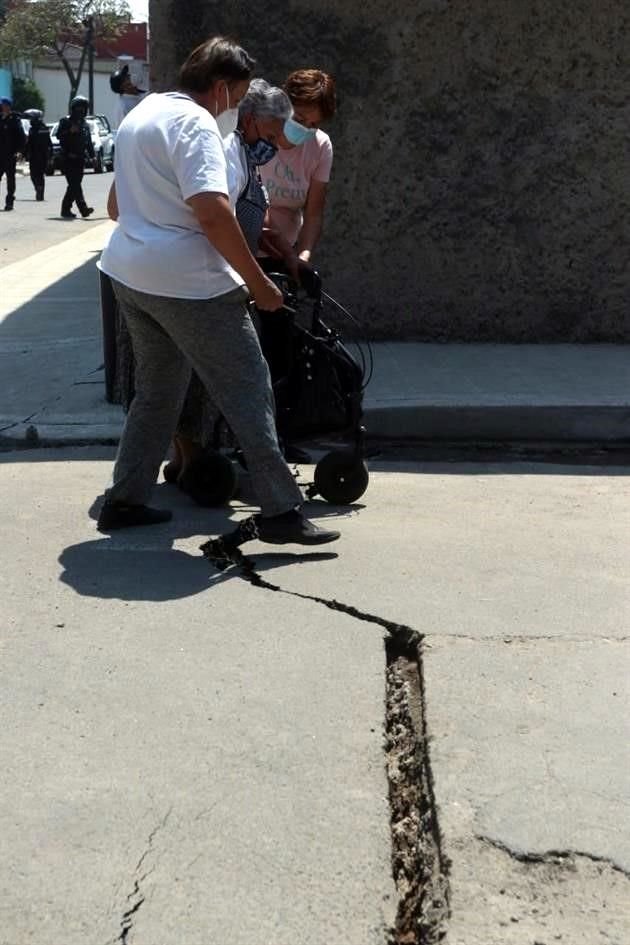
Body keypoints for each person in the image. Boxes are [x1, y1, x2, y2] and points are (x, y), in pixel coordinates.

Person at [96, 37, 340, 546]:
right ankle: (281, 512)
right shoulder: (199, 125)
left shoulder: (145, 112)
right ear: (224, 88)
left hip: (130, 275)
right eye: (241, 94)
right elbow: (213, 212)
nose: (239, 106)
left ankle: (124, 499)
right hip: (189, 284)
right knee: (250, 390)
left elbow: (116, 204)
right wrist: (257, 283)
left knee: (159, 391)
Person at [167, 77, 301, 486]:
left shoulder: (244, 151)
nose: (275, 144)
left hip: (214, 274)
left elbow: (247, 211)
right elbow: (216, 218)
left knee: (178, 381)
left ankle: (177, 467)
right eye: (271, 133)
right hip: (207, 278)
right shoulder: (224, 148)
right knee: (243, 381)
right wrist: (254, 280)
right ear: (249, 119)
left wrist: (269, 240)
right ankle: (270, 494)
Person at [57, 96, 94, 219]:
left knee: (75, 185)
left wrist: (92, 156)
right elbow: (59, 136)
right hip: (68, 158)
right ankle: (82, 209)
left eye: (83, 108)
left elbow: (88, 141)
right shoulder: (65, 122)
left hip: (80, 159)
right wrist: (69, 131)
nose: (81, 111)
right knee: (75, 184)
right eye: (79, 108)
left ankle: (66, 209)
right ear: (73, 108)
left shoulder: (85, 124)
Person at [0, 97, 26, 211]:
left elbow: (21, 137)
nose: (1, 107)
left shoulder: (14, 120)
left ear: (8, 106)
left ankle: (9, 201)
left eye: (3, 105)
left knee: (10, 179)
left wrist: (20, 151)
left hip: (10, 154)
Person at [24, 109, 52, 201]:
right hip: (38, 156)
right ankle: (39, 190)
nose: (30, 121)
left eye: (31, 119)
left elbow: (31, 143)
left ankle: (39, 190)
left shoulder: (38, 129)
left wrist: (24, 153)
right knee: (37, 175)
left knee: (37, 175)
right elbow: (48, 144)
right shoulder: (38, 129)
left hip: (38, 156)